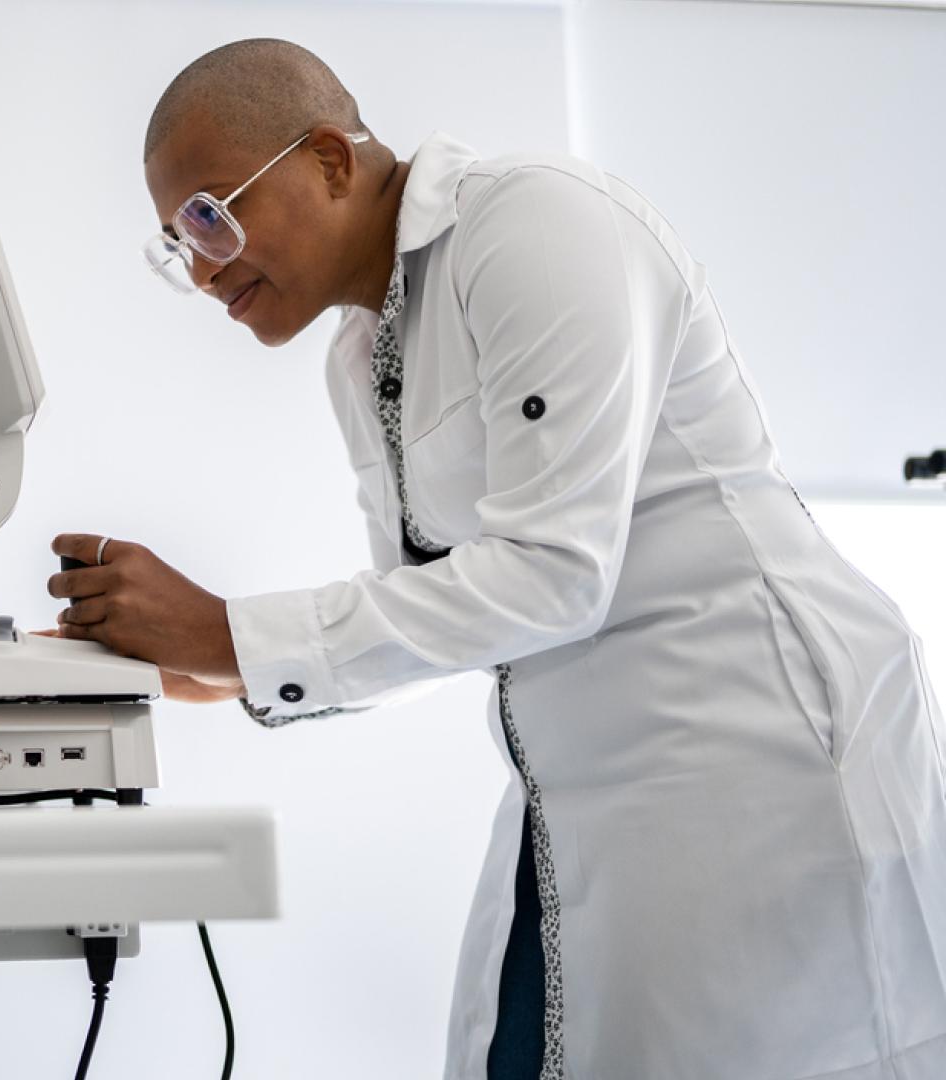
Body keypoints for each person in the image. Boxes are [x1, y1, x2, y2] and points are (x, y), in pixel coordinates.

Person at [48, 38, 946, 1079]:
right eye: (176, 241)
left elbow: (554, 575)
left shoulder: (533, 224)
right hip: (582, 785)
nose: (204, 269)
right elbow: (432, 605)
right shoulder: (359, 356)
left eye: (211, 215)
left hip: (756, 758)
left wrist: (234, 637)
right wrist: (218, 668)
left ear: (332, 160)